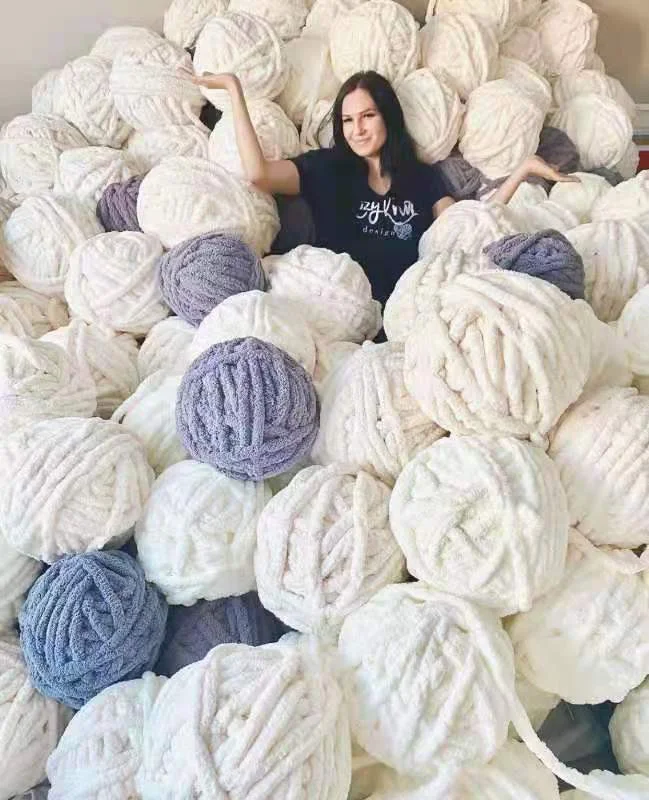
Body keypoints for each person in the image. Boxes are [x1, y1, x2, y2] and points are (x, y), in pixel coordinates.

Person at [188, 69, 578, 308]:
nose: (357, 129)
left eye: (368, 116)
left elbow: (466, 228)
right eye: (347, 120)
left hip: (408, 313)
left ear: (388, 117)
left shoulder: (422, 178)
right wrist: (235, 93)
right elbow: (258, 174)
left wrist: (521, 172)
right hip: (337, 310)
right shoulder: (325, 168)